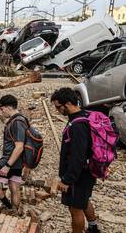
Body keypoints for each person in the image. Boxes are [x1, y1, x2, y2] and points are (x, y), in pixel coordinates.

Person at [51, 88, 100, 233]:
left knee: (75, 209)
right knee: (83, 201)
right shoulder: (84, 115)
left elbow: (78, 157)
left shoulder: (77, 126)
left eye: (58, 107)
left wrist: (67, 180)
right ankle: (93, 227)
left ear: (67, 103)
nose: (57, 110)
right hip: (87, 171)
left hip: (79, 175)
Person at [0, 95, 26, 215]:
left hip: (9, 160)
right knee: (14, 186)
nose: (1, 112)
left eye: (2, 109)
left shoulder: (17, 122)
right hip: (17, 161)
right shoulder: (19, 119)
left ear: (8, 107)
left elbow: (19, 146)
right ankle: (15, 212)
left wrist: (7, 165)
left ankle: (7, 205)